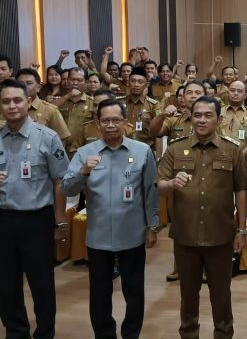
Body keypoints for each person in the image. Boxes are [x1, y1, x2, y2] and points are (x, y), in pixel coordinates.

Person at [0, 79, 70, 339]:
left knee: (42, 283)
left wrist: (60, 221)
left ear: (29, 102)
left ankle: (45, 333)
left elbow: (60, 180)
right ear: (0, 104)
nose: (12, 106)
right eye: (6, 101)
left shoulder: (47, 137)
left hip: (37, 220)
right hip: (2, 220)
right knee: (7, 283)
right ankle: (16, 332)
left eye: (17, 100)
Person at [62, 99, 159, 339]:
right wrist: (84, 171)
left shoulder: (141, 151)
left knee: (134, 290)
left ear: (126, 123)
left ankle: (131, 333)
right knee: (100, 292)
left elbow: (150, 191)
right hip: (99, 236)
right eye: (105, 120)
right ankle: (104, 334)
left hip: (133, 233)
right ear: (97, 123)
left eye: (116, 120)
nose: (111, 125)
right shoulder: (85, 153)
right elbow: (68, 189)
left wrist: (152, 226)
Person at [158, 96, 247, 338]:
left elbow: (241, 190)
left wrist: (241, 230)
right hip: (185, 236)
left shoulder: (232, 150)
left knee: (221, 295)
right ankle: (189, 333)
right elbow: (158, 185)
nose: (201, 120)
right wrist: (170, 183)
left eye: (207, 115)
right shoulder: (176, 148)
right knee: (188, 296)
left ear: (218, 120)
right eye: (197, 115)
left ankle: (223, 333)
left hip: (220, 236)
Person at [15, 68, 71, 142]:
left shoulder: (50, 110)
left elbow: (62, 138)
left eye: (29, 83)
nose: (24, 87)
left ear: (38, 88)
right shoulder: (10, 108)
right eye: (21, 84)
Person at [220, 81, 247, 159]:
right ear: (228, 93)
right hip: (219, 159)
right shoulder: (218, 112)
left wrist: (240, 156)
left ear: (245, 95)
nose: (235, 93)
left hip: (243, 161)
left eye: (239, 91)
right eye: (232, 90)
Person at [120, 67, 161, 148]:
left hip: (146, 149)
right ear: (128, 82)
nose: (136, 85)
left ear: (147, 84)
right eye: (133, 81)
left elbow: (158, 133)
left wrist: (158, 157)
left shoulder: (154, 105)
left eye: (140, 82)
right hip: (122, 148)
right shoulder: (119, 103)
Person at [54, 67, 94, 144]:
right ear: (67, 81)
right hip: (61, 147)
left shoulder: (92, 103)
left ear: (86, 82)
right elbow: (49, 109)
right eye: (72, 79)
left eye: (79, 80)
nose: (75, 83)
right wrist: (67, 96)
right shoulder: (60, 100)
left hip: (82, 147)